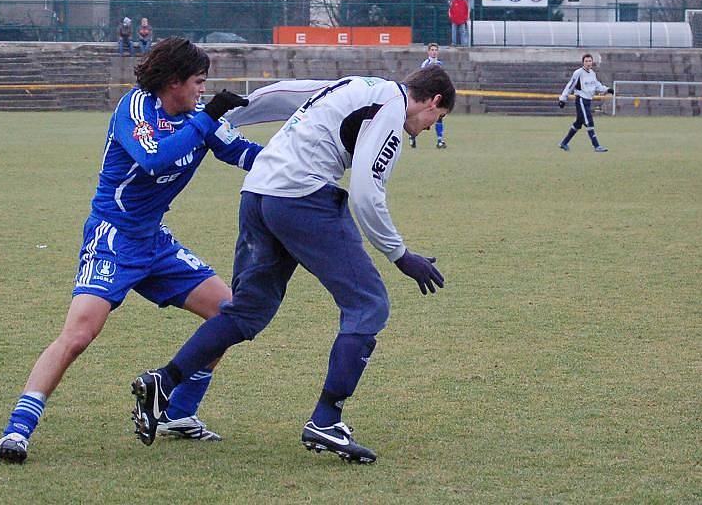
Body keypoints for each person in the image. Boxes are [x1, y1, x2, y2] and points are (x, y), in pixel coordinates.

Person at [129, 66, 456, 464]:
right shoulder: (391, 109)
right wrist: (401, 255)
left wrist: (234, 112)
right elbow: (367, 194)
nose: (424, 128)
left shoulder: (358, 84)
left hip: (258, 193)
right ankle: (326, 420)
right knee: (368, 304)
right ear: (434, 101)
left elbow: (288, 93)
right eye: (436, 120)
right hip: (303, 197)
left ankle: (164, 381)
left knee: (247, 312)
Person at [0, 37, 263, 464]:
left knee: (228, 313)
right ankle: (16, 431)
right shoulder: (135, 107)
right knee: (80, 334)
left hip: (154, 241)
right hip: (112, 237)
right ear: (173, 82)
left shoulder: (199, 116)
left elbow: (248, 155)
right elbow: (153, 157)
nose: (202, 90)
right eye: (197, 81)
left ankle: (178, 414)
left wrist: (308, 158)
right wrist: (207, 118)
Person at [557, 53, 613, 152]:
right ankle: (597, 146)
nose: (588, 63)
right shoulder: (578, 73)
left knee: (578, 124)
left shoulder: (592, 73)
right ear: (583, 62)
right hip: (581, 100)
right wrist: (562, 99)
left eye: (590, 61)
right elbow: (570, 86)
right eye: (586, 61)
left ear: (592, 62)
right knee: (589, 122)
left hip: (588, 101)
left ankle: (563, 143)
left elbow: (597, 85)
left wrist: (607, 89)